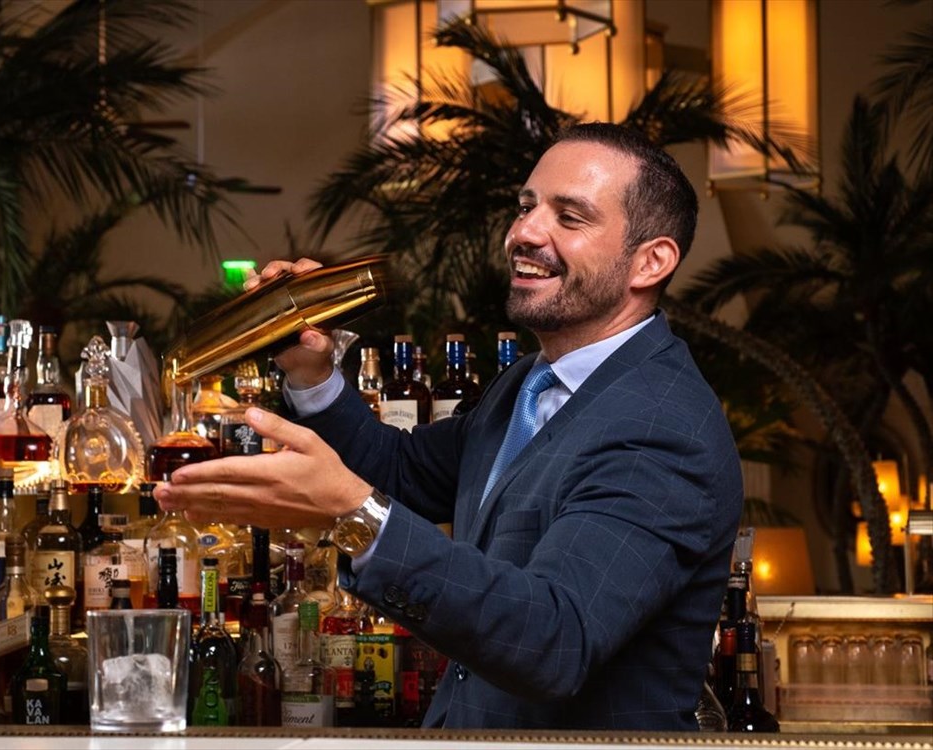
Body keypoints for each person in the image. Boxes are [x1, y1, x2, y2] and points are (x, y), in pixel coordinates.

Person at [155, 123, 743, 730]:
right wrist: (312, 371)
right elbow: (401, 471)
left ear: (650, 261)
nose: (524, 233)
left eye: (570, 217)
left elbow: (553, 639)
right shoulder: (531, 384)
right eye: (526, 207)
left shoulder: (661, 426)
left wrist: (355, 514)